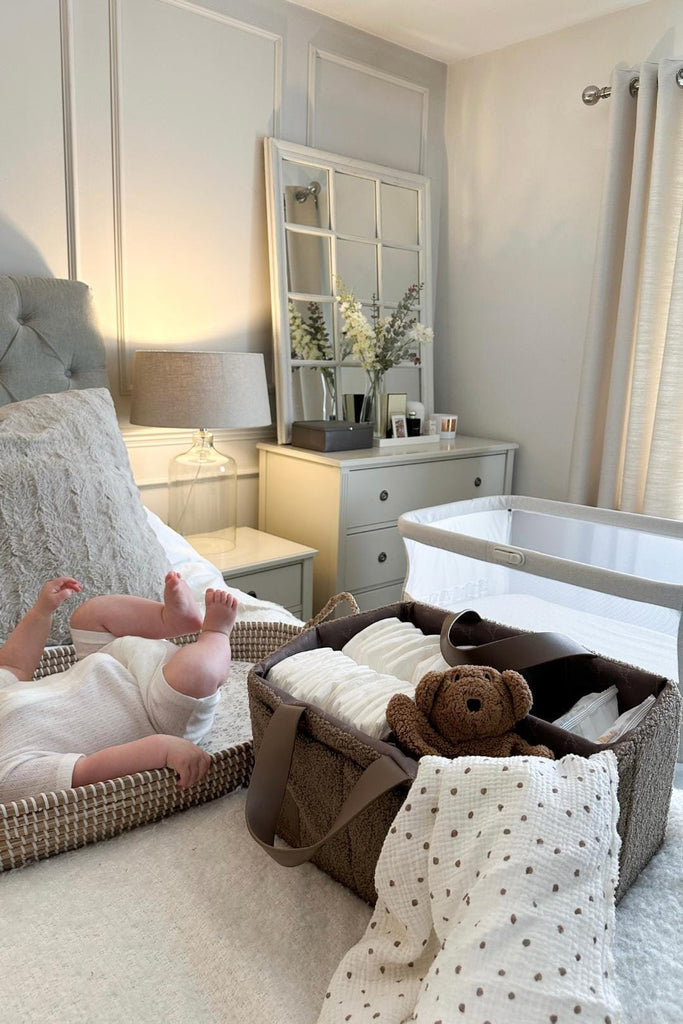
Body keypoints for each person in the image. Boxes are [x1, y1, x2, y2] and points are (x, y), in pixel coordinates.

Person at [0, 573, 238, 803]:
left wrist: (41, 612)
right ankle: (215, 634)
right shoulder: (9, 777)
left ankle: (171, 619)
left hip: (110, 659)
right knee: (196, 673)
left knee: (88, 616)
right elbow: (87, 771)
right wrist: (162, 749)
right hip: (154, 711)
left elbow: (13, 665)